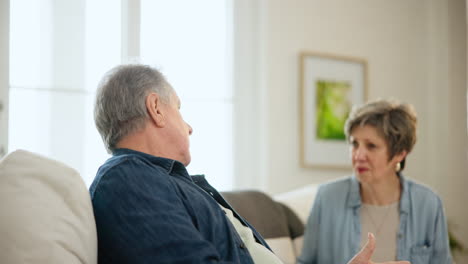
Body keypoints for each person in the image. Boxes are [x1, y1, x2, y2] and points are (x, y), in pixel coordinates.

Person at [90, 64, 410, 264]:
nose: (189, 127)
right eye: (179, 109)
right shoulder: (126, 180)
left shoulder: (169, 183)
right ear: (156, 109)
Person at [298, 99, 452, 264]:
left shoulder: (428, 203)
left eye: (371, 146)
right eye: (354, 144)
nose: (358, 155)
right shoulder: (326, 198)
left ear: (400, 153)